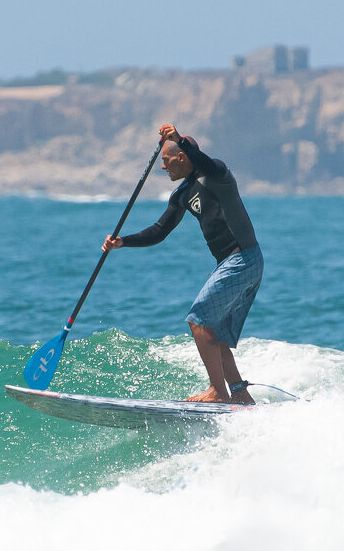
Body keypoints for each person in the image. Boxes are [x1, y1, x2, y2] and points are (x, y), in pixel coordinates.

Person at [102, 124, 263, 404]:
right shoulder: (182, 194)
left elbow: (203, 161)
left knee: (199, 320)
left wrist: (179, 139)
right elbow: (159, 230)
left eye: (165, 160)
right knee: (215, 331)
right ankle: (240, 394)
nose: (162, 167)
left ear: (181, 157)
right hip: (233, 262)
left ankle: (217, 391)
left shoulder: (217, 175)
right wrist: (122, 242)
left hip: (243, 258)